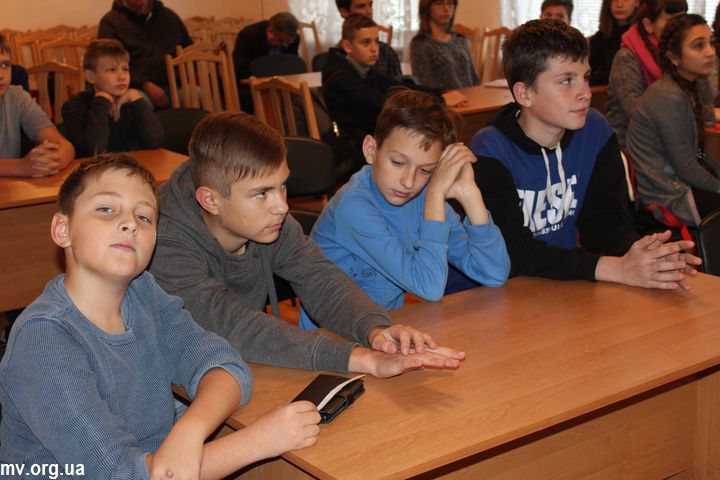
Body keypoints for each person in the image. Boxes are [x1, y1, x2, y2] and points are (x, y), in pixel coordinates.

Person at [0, 153, 322, 479]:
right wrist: (258, 442)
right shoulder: (43, 338)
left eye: (144, 217)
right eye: (106, 209)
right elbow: (123, 475)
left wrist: (188, 432)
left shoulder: (143, 293)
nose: (129, 223)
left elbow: (226, 365)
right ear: (63, 229)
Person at [149, 111, 466, 379]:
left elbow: (319, 278)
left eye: (282, 186)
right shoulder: (164, 240)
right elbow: (231, 325)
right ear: (210, 200)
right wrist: (358, 358)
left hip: (237, 368)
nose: (282, 207)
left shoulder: (267, 220)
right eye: (262, 193)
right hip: (167, 388)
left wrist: (376, 331)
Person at [470, 19, 701, 289]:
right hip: (495, 293)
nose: (585, 93)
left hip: (563, 284)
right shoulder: (489, 152)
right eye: (566, 81)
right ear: (524, 93)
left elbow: (605, 222)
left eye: (586, 77)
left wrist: (644, 259)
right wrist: (614, 268)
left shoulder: (594, 130)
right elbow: (512, 253)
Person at [299, 90, 509, 329]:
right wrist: (435, 195)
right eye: (398, 163)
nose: (409, 182)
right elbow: (430, 288)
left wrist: (471, 195)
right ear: (371, 150)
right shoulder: (353, 206)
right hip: (331, 339)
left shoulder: (423, 198)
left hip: (385, 331)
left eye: (426, 170)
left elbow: (494, 273)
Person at [323, 14, 466, 175]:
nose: (374, 48)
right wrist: (441, 100)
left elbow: (396, 85)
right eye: (366, 42)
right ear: (347, 46)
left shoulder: (362, 68)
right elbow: (379, 102)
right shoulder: (339, 77)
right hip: (355, 151)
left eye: (376, 41)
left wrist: (440, 93)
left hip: (371, 138)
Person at [625, 13, 720, 227]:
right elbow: (686, 168)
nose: (710, 52)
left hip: (680, 183)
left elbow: (698, 151)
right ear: (674, 56)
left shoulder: (686, 86)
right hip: (667, 197)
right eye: (698, 45)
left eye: (711, 43)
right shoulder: (668, 96)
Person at [604, 0, 715, 148]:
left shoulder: (684, 54)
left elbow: (707, 115)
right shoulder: (626, 58)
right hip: (628, 146)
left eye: (681, 19)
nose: (679, 27)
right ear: (649, 25)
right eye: (671, 21)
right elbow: (638, 115)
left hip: (674, 141)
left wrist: (700, 67)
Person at [62, 39, 165, 157]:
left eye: (125, 69)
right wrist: (101, 102)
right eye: (112, 70)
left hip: (131, 165)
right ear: (91, 76)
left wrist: (137, 100)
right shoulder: (73, 108)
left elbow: (155, 142)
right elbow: (94, 151)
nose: (122, 77)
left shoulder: (131, 102)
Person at [0, 36, 74, 177]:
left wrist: (50, 162)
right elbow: (22, 167)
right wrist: (21, 167)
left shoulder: (17, 96)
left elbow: (65, 146)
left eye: (5, 65)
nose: (1, 75)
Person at [98, 0, 193, 110]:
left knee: (201, 95)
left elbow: (189, 50)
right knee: (137, 104)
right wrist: (144, 84)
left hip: (177, 86)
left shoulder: (169, 16)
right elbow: (110, 64)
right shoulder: (110, 22)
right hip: (136, 88)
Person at [409, 0, 480, 90]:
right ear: (427, 8)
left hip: (472, 96)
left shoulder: (461, 39)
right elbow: (425, 86)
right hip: (442, 98)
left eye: (450, 3)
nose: (446, 9)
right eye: (439, 3)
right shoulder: (420, 43)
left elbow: (475, 79)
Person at [335, 0, 403, 79]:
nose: (369, 12)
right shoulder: (335, 60)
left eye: (370, 5)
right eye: (361, 6)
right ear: (344, 12)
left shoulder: (386, 52)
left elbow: (399, 85)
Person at [589, 0, 638, 85]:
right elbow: (586, 73)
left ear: (637, 2)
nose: (619, 4)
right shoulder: (599, 38)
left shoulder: (644, 35)